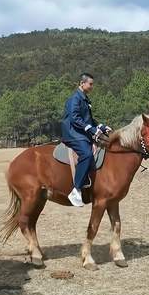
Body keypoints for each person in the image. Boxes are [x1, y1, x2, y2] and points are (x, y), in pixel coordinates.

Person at [60, 73, 111, 207]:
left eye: (92, 84)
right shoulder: (75, 99)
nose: (92, 86)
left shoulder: (84, 99)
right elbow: (75, 118)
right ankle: (76, 189)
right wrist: (90, 129)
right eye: (90, 84)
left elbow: (89, 120)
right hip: (73, 134)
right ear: (82, 83)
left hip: (81, 133)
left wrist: (101, 126)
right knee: (87, 154)